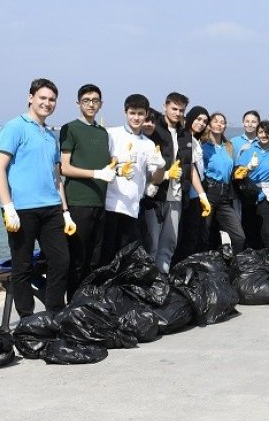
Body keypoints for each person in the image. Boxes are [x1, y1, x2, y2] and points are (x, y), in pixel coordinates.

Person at [0, 78, 74, 315]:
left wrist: (65, 211)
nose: (47, 103)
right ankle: (27, 318)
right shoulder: (15, 127)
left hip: (52, 209)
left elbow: (57, 177)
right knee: (22, 266)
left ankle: (55, 311)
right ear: (31, 98)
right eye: (43, 98)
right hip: (21, 210)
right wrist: (8, 206)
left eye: (52, 100)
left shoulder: (50, 135)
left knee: (61, 261)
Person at [58, 83, 114, 292]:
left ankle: (90, 301)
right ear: (78, 103)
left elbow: (103, 161)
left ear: (101, 104)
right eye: (86, 100)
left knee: (95, 258)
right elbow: (64, 168)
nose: (91, 104)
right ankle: (73, 303)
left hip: (100, 202)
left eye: (95, 101)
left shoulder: (102, 133)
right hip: (78, 202)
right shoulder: (70, 128)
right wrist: (96, 174)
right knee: (77, 258)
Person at [100, 94, 166, 260]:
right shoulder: (110, 134)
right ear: (125, 112)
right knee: (105, 252)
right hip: (109, 205)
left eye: (140, 114)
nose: (136, 118)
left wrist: (161, 166)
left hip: (132, 207)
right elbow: (101, 165)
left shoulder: (149, 144)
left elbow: (156, 179)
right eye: (132, 113)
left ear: (145, 115)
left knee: (127, 255)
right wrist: (116, 169)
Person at [145, 92, 191, 273]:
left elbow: (190, 166)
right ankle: (148, 282)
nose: (177, 113)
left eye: (181, 110)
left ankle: (162, 280)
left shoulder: (186, 135)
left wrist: (201, 194)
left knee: (169, 243)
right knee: (152, 244)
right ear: (165, 106)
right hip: (155, 196)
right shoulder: (153, 130)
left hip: (177, 196)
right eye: (174, 108)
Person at [235, 121, 269, 250]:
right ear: (257, 134)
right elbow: (237, 175)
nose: (263, 135)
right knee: (249, 231)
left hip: (266, 195)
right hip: (248, 194)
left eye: (267, 132)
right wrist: (248, 167)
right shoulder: (248, 150)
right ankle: (253, 265)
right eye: (260, 132)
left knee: (267, 233)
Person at [198, 113, 246, 251]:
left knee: (239, 237)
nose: (219, 124)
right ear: (209, 125)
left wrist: (239, 173)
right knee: (204, 235)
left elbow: (231, 169)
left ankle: (235, 267)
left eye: (222, 122)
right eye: (216, 121)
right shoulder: (203, 146)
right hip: (209, 191)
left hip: (225, 195)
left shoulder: (228, 146)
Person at [174, 105, 212, 260]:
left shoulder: (195, 140)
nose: (201, 123)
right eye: (198, 119)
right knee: (187, 234)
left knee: (194, 234)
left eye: (204, 121)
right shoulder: (183, 138)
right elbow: (190, 169)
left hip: (197, 194)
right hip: (187, 194)